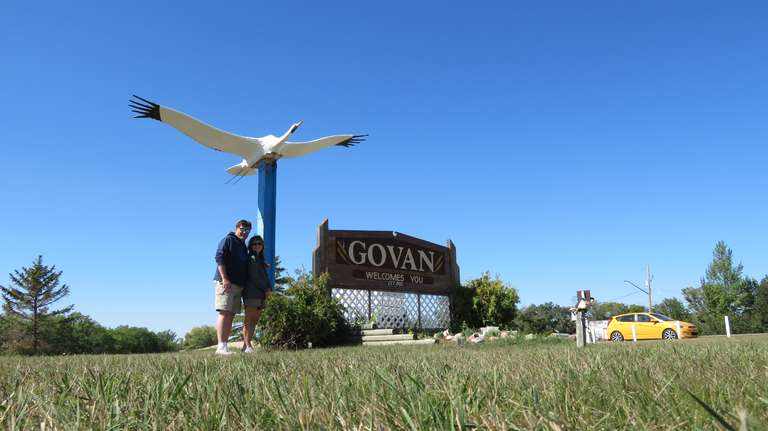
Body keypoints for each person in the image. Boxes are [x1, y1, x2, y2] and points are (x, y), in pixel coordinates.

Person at [213, 219, 251, 355]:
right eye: (242, 229)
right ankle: (220, 346)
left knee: (231, 314)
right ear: (236, 228)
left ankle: (225, 345)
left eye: (247, 231)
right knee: (224, 312)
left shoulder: (243, 246)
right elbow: (219, 258)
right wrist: (225, 278)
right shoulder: (228, 240)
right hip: (226, 282)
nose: (244, 232)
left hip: (238, 285)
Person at [242, 235, 273, 352]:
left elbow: (264, 278)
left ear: (262, 246)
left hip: (260, 294)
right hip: (252, 293)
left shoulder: (259, 259)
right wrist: (266, 289)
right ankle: (248, 345)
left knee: (254, 321)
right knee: (249, 320)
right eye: (254, 244)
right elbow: (254, 277)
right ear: (250, 246)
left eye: (259, 243)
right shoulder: (252, 258)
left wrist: (268, 289)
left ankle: (246, 346)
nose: (257, 245)